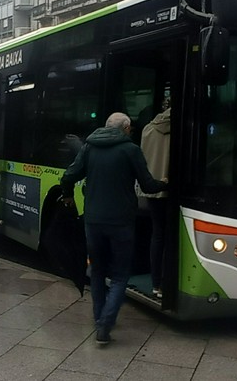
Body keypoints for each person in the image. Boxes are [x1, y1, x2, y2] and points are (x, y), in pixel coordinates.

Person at [60, 112, 167, 346]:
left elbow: (68, 176)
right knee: (120, 274)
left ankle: (100, 318)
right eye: (131, 129)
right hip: (121, 222)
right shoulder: (130, 150)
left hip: (93, 221)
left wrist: (68, 197)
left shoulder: (89, 147)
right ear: (126, 128)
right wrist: (166, 183)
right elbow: (148, 185)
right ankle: (106, 323)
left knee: (97, 271)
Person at [139, 98, 171, 299]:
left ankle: (155, 283)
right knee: (171, 237)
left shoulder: (148, 129)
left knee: (157, 235)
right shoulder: (186, 129)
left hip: (152, 190)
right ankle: (168, 281)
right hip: (172, 190)